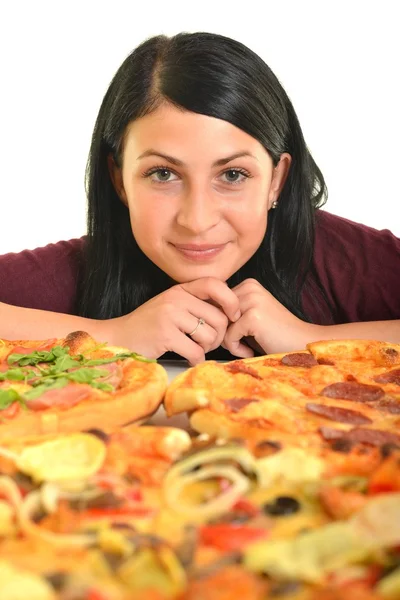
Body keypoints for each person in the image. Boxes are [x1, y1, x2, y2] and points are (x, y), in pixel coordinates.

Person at [0, 32, 399, 365]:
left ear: (277, 180)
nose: (197, 219)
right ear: (119, 180)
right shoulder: (84, 268)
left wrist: (310, 339)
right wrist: (109, 335)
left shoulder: (335, 256)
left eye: (232, 175)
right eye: (163, 174)